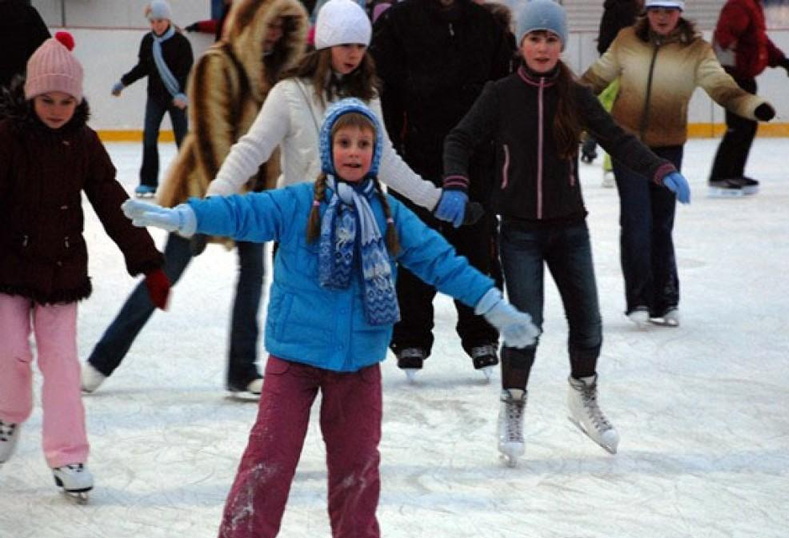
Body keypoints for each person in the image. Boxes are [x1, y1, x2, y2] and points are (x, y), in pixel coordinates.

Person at [122, 97, 539, 538]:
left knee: (356, 473)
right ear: (328, 150)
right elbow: (243, 212)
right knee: (267, 463)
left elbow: (441, 262)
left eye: (363, 143)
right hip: (294, 360)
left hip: (358, 365)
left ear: (375, 153)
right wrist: (187, 215)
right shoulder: (299, 203)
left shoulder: (388, 215)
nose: (354, 151)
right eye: (344, 142)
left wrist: (491, 303)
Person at [443, 0, 692, 462]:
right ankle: (512, 407)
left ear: (561, 45)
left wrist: (659, 170)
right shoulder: (500, 94)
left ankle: (584, 396)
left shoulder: (576, 96)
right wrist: (456, 185)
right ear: (522, 44)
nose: (542, 47)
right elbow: (459, 138)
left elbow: (618, 140)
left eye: (551, 39)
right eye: (535, 38)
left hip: (569, 230)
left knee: (589, 325)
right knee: (524, 328)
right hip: (518, 231)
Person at [81, 0, 309, 397]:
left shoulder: (278, 76)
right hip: (202, 195)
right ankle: (101, 360)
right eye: (268, 25)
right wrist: (226, 204)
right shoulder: (217, 63)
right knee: (165, 276)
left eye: (281, 28)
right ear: (249, 22)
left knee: (254, 276)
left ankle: (241, 369)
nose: (273, 35)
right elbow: (212, 138)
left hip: (253, 200)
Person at [0, 32, 170, 501]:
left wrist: (148, 262)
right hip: (9, 269)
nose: (56, 109)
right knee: (10, 353)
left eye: (66, 101)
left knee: (60, 366)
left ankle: (68, 453)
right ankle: (8, 414)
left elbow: (112, 202)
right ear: (30, 96)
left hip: (61, 270)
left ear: (78, 101)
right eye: (47, 99)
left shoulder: (84, 144)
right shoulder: (8, 137)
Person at [581, 0, 774, 327]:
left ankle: (665, 300)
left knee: (661, 224)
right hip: (627, 147)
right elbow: (595, 79)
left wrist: (753, 106)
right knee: (636, 220)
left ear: (679, 13)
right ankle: (639, 299)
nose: (661, 17)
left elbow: (722, 87)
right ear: (648, 12)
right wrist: (557, 98)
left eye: (669, 11)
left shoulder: (695, 50)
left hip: (668, 148)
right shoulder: (627, 39)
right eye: (656, 10)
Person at [204, 3, 456, 251]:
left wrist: (434, 199)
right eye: (346, 45)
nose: (354, 54)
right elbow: (252, 149)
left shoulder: (367, 96)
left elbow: (384, 160)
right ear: (326, 45)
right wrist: (215, 197)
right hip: (300, 230)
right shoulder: (290, 93)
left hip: (354, 231)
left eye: (360, 46)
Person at [370, 0, 514, 378]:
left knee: (478, 249)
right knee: (413, 245)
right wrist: (393, 147)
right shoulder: (399, 21)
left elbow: (503, 88)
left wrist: (496, 145)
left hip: (474, 161)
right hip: (416, 156)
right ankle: (410, 336)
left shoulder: (486, 25)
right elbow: (381, 87)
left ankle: (481, 334)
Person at [707, 0, 789, 196]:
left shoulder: (752, 5)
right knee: (738, 126)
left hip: (745, 77)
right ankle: (719, 176)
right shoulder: (738, 6)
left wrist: (779, 59)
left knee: (747, 126)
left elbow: (759, 40)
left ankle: (734, 173)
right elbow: (724, 37)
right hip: (734, 78)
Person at [111, 0, 194, 197]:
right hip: (155, 98)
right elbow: (143, 67)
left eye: (160, 21)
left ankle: (189, 179)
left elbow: (186, 71)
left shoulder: (181, 43)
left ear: (168, 20)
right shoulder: (148, 41)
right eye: (153, 21)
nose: (156, 25)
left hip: (177, 99)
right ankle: (148, 182)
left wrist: (182, 93)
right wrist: (124, 82)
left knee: (182, 139)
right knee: (149, 137)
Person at [580, 0, 643, 189]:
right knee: (615, 117)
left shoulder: (612, 8)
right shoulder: (627, 8)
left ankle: (591, 145)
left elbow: (604, 40)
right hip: (621, 66)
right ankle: (609, 166)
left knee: (606, 111)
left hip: (612, 64)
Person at [0, 0, 50, 91]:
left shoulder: (27, 14)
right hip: (18, 88)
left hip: (17, 88)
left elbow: (46, 53)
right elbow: (47, 54)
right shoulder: (27, 12)